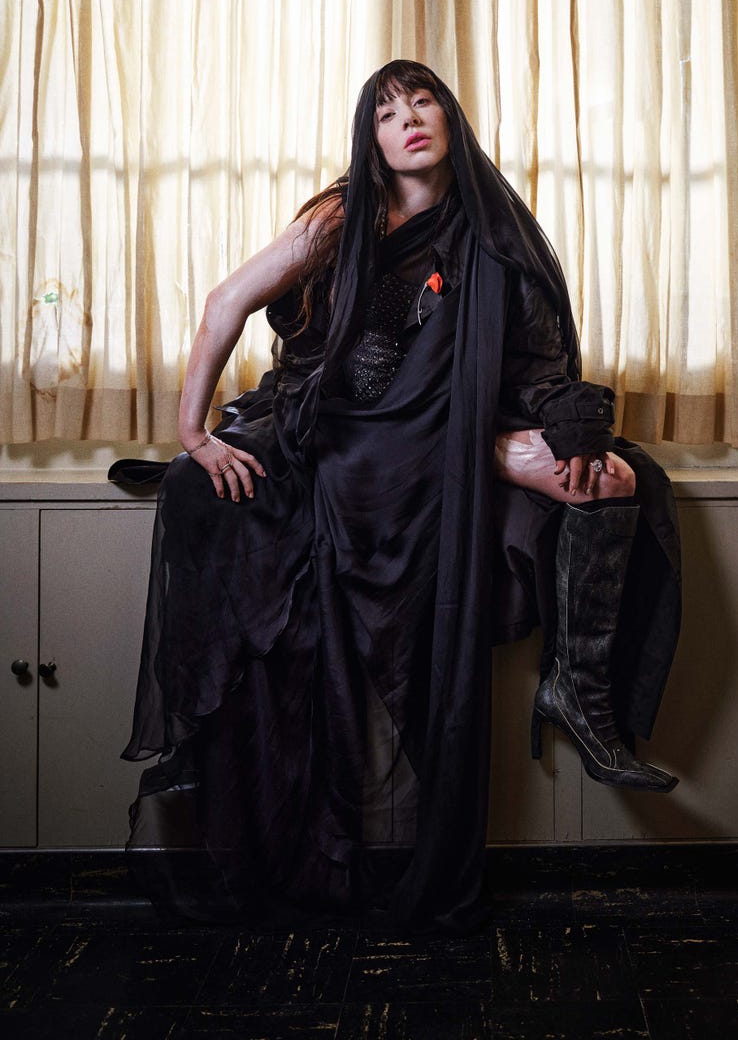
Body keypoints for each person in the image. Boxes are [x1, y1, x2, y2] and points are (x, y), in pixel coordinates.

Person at [119, 60, 684, 929]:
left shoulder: (493, 224)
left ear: (449, 117)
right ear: (371, 137)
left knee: (611, 477)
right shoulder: (342, 217)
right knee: (200, 493)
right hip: (340, 423)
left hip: (461, 428)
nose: (408, 119)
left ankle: (580, 688)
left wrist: (570, 417)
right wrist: (193, 433)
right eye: (387, 111)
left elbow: (536, 361)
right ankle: (195, 734)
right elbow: (225, 300)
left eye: (422, 101)